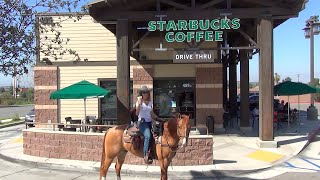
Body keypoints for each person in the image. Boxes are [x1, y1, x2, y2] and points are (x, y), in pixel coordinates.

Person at [135, 85, 158, 164]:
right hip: (142, 122)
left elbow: (151, 113)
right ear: (141, 94)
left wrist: (158, 119)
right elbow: (137, 113)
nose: (146, 94)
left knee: (157, 134)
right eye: (144, 92)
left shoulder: (150, 102)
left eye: (147, 92)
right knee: (148, 135)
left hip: (149, 122)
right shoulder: (139, 102)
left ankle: (154, 152)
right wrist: (139, 103)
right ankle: (145, 155)